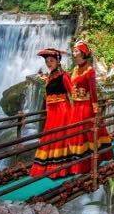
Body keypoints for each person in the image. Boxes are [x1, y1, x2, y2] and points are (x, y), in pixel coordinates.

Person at [28, 47, 81, 178]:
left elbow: (72, 93)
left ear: (58, 61)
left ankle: (62, 169)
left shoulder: (64, 76)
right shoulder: (49, 77)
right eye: (47, 61)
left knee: (59, 137)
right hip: (51, 112)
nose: (48, 63)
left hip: (62, 110)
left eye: (51, 60)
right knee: (50, 137)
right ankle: (49, 167)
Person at [67, 40, 114, 174]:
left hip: (85, 106)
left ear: (82, 53)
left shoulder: (90, 70)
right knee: (75, 134)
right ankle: (76, 163)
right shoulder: (75, 69)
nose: (73, 53)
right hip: (75, 105)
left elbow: (93, 91)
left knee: (87, 134)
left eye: (76, 51)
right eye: (73, 50)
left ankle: (89, 162)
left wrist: (95, 108)